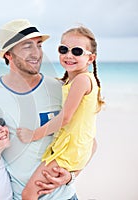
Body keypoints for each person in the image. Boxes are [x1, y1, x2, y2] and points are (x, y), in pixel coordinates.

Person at [0, 19, 98, 199]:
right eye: (27, 46)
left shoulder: (60, 89)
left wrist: (72, 175)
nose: (36, 53)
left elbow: (88, 139)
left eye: (39, 45)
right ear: (8, 55)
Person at [16, 26, 104, 199]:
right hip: (75, 148)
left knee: (28, 195)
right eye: (63, 49)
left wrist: (33, 135)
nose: (69, 55)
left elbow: (65, 118)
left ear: (90, 58)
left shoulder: (81, 80)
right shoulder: (77, 81)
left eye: (77, 51)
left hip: (67, 150)